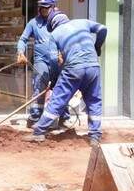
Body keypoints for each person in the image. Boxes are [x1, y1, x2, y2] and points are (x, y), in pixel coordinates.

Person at [25, 11, 107, 147]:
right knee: (94, 101)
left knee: (57, 100)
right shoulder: (83, 22)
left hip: (73, 69)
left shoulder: (55, 34)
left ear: (53, 24)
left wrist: (54, 78)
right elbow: (103, 29)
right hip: (93, 67)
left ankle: (39, 132)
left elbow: (52, 59)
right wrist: (97, 46)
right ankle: (95, 136)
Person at [17, 0, 69, 128]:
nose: (44, 9)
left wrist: (63, 53)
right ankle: (35, 117)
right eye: (42, 6)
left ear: (53, 6)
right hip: (41, 60)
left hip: (58, 61)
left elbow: (67, 38)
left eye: (47, 7)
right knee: (40, 85)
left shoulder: (59, 21)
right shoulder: (33, 23)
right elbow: (23, 39)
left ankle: (64, 117)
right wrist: (20, 52)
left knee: (61, 87)